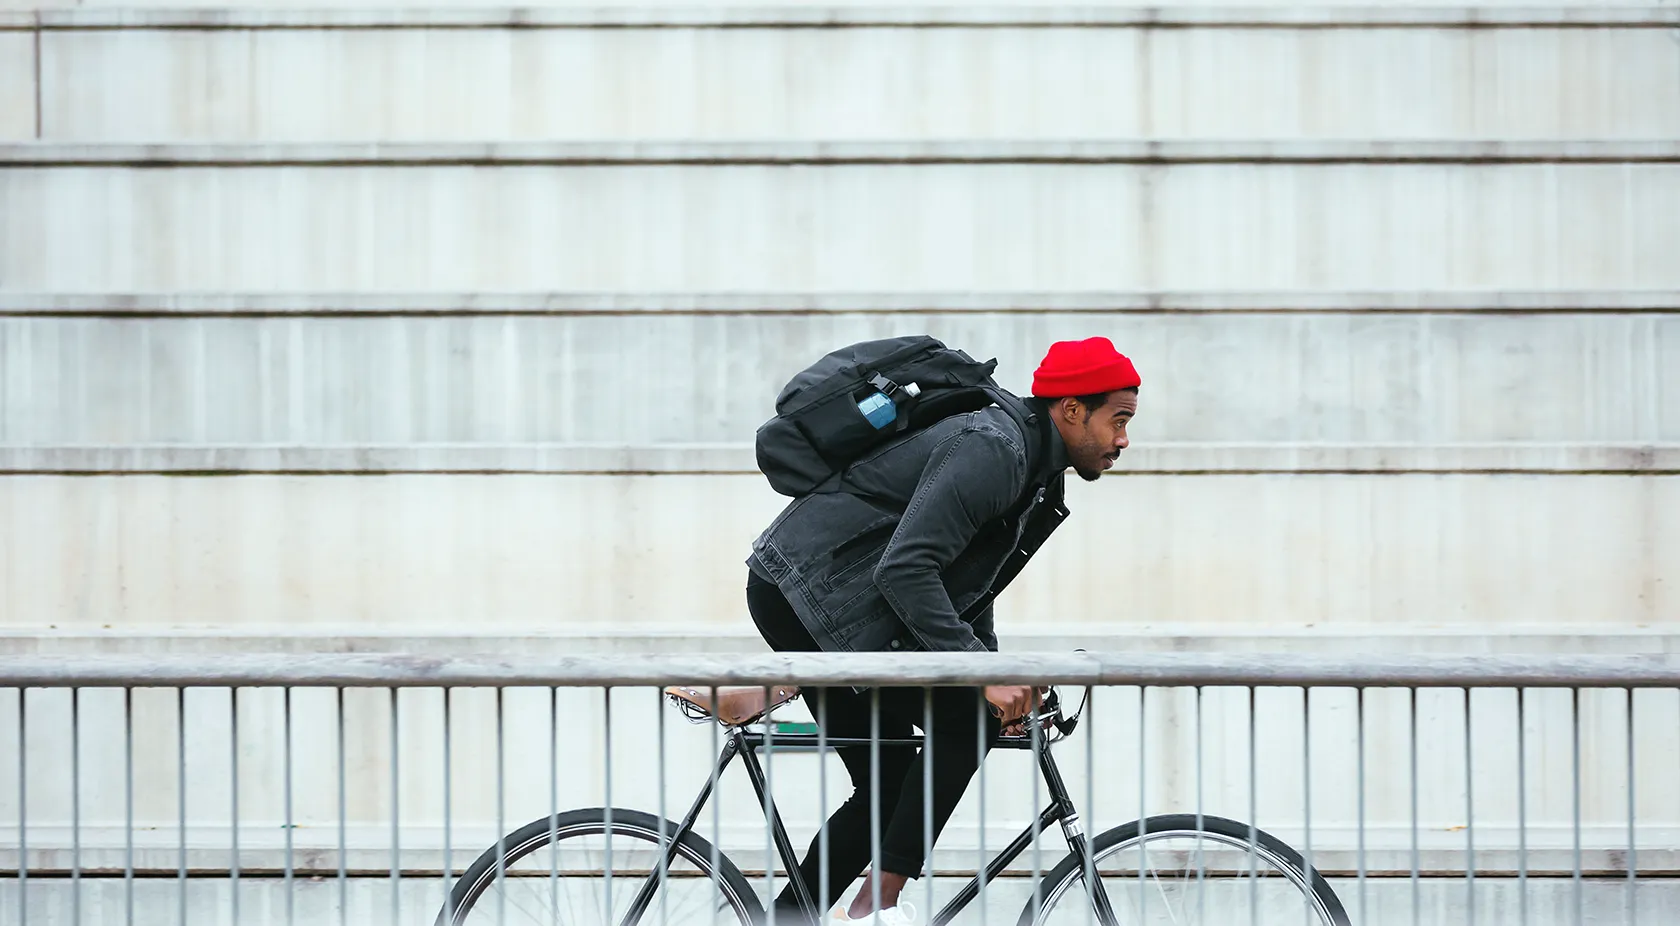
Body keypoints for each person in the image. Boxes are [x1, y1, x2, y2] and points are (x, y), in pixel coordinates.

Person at [744, 337, 1141, 925]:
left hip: (852, 602)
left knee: (888, 788)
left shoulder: (1035, 473)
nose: (1124, 441)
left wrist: (992, 667)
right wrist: (982, 676)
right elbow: (906, 570)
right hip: (807, 595)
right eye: (1119, 419)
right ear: (1072, 409)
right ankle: (877, 910)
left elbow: (966, 586)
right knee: (964, 718)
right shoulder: (993, 450)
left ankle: (787, 921)